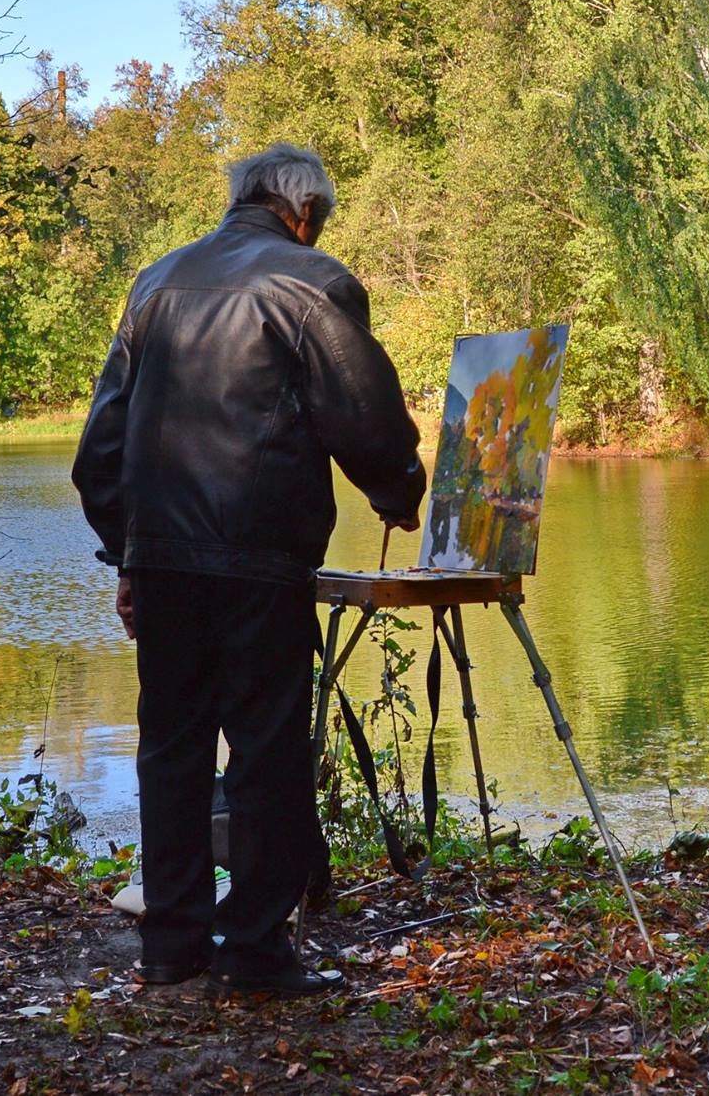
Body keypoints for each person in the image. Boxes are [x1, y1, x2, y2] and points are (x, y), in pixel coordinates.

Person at [72, 143, 425, 1000]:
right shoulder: (310, 281)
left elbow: (100, 451)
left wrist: (129, 553)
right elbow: (363, 410)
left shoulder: (156, 283)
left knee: (172, 748)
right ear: (302, 211)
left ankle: (171, 950)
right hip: (258, 556)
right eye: (321, 222)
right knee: (266, 754)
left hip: (163, 557)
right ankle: (257, 952)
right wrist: (401, 488)